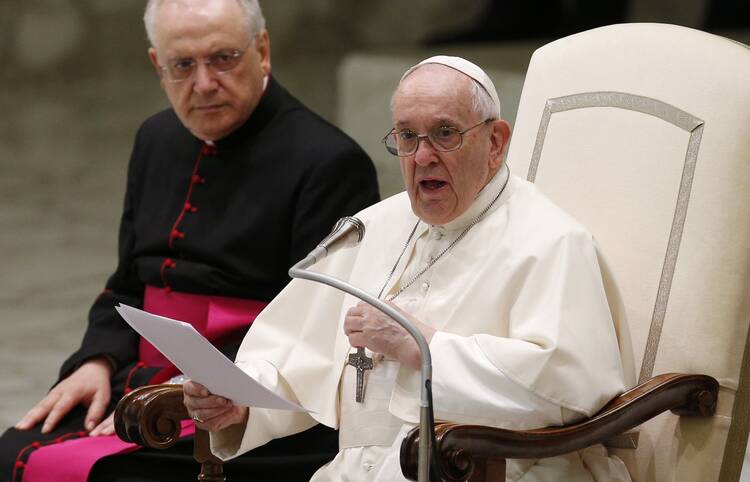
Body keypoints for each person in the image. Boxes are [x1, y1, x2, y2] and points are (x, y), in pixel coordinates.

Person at [183, 55, 635, 481]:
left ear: (495, 141)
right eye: (406, 136)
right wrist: (239, 400)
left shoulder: (551, 240)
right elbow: (295, 355)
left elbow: (567, 390)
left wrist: (423, 349)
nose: (422, 157)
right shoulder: (373, 227)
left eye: (445, 133)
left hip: (495, 472)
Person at [0, 0, 379, 481]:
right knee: (12, 451)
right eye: (183, 65)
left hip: (252, 404)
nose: (203, 83)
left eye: (223, 58)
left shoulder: (330, 162)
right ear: (159, 67)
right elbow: (127, 283)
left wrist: (193, 389)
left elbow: (313, 331)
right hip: (139, 380)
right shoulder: (155, 138)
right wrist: (96, 360)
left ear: (262, 51)